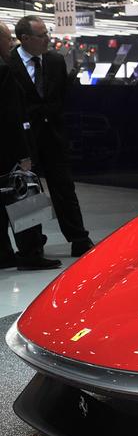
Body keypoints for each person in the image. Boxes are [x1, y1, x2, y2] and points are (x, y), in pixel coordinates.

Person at [8, 16, 93, 257]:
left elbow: (61, 97)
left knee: (64, 188)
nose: (47, 39)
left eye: (47, 33)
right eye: (42, 35)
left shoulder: (55, 61)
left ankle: (79, 238)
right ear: (25, 38)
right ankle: (32, 247)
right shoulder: (9, 63)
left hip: (54, 136)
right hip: (25, 139)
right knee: (26, 193)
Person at [0, 22, 60, 270]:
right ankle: (31, 252)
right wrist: (24, 153)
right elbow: (11, 116)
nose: (10, 43)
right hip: (9, 149)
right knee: (25, 197)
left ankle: (3, 253)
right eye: (7, 39)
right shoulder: (4, 71)